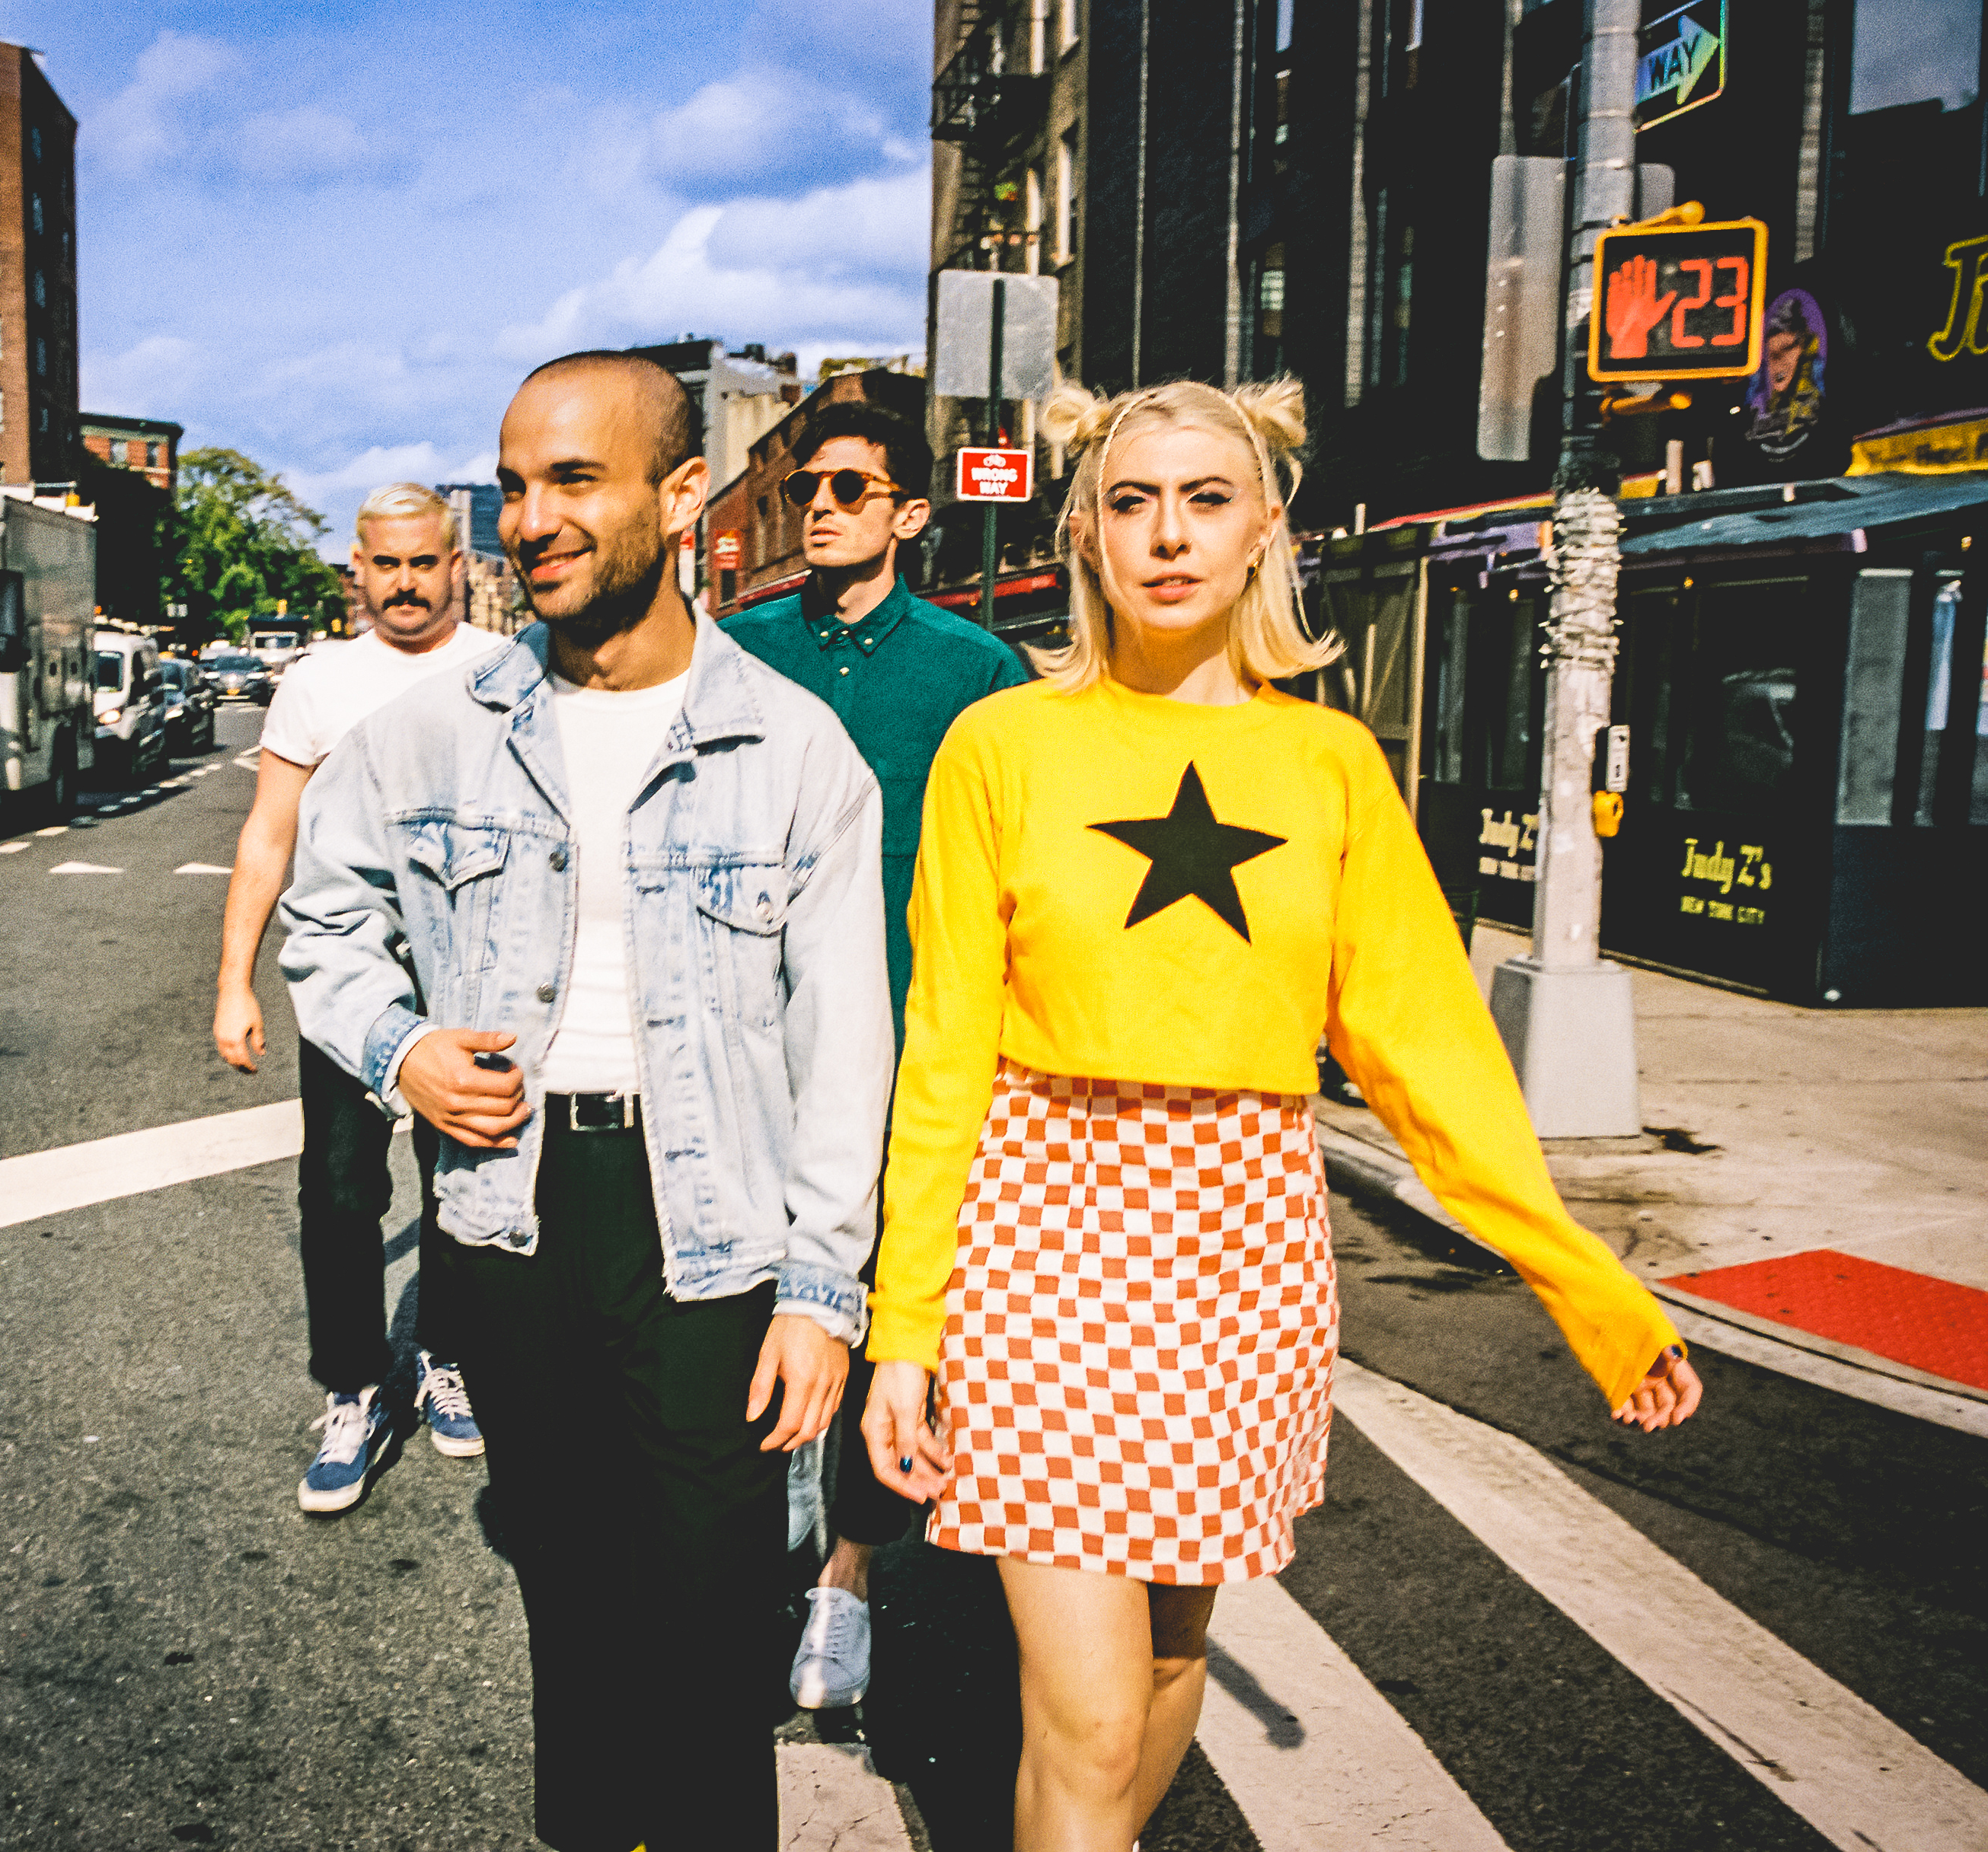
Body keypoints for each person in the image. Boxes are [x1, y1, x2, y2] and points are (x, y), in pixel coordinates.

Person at [863, 378, 1705, 1851]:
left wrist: (1588, 1284)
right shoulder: (1001, 744)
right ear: (1083, 531)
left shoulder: (1329, 767)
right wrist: (905, 1324)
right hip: (1040, 1233)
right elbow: (943, 1050)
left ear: (1265, 529)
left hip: (1242, 1240)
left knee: (1172, 1660)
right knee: (1090, 1705)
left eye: (1204, 499)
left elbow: (1427, 1050)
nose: (1167, 536)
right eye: (1132, 501)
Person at [279, 352, 893, 1852]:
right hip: (512, 1221)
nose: (528, 519)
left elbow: (845, 1036)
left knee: (708, 1597)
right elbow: (321, 918)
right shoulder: (436, 728)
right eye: (514, 483)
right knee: (564, 1576)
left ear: (680, 496)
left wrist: (823, 1289)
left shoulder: (791, 745)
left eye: (572, 479)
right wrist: (400, 1047)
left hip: (717, 1232)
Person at [720, 398, 1029, 1712]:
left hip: (904, 1060)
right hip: (740, 1055)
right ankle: (757, 1532)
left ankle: (843, 1579)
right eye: (807, 487)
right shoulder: (728, 650)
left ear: (910, 514)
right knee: (735, 1306)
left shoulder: (975, 674)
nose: (821, 506)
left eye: (853, 486)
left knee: (876, 1312)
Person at [212, 482, 508, 1515]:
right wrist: (233, 982)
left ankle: (447, 1355)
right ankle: (353, 1387)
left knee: (461, 1186)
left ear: (456, 562)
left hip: (471, 980)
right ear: (359, 567)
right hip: (348, 985)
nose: (406, 583)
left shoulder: (502, 670)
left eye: (425, 562)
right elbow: (267, 833)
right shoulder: (319, 680)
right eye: (386, 564)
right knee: (339, 1194)